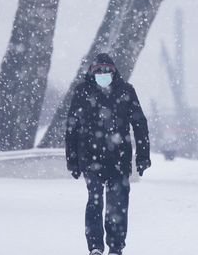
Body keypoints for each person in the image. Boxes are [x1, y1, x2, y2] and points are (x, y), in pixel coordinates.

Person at [66, 53, 151, 255]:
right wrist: (72, 160)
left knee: (118, 204)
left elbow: (140, 124)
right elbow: (72, 127)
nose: (102, 74)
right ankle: (95, 246)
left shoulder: (126, 91)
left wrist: (143, 156)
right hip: (90, 157)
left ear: (114, 72)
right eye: (98, 71)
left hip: (118, 159)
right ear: (92, 72)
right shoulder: (82, 92)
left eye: (106, 71)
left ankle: (115, 246)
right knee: (95, 201)